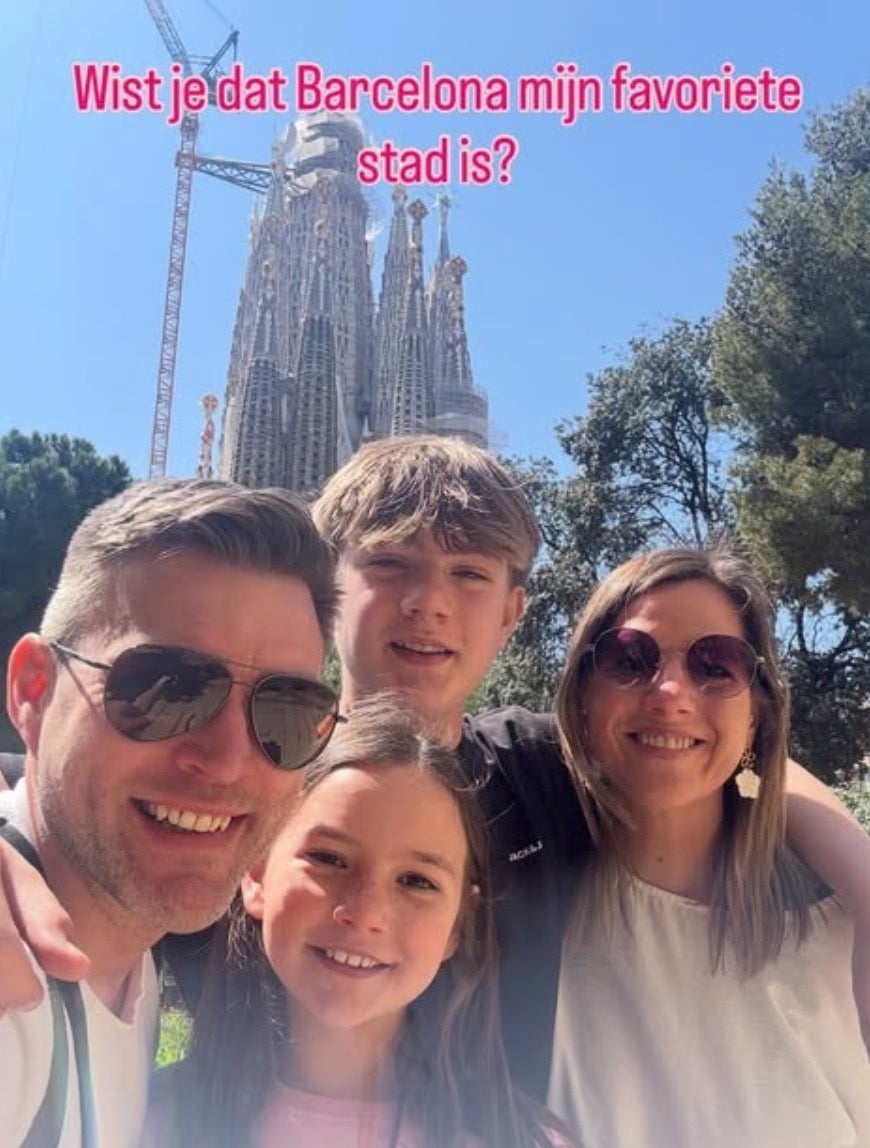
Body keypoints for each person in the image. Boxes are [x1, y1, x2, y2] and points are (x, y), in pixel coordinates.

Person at [2, 436, 870, 1100]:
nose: (429, 603)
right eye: (390, 563)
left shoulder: (543, 767)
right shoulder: (249, 776)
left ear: (512, 613)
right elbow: (76, 801)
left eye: (469, 574)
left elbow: (729, 751)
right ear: (332, 593)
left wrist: (861, 875)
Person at [0, 478, 342, 1145]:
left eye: (288, 712)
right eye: (166, 688)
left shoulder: (135, 976)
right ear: (33, 690)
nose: (228, 760)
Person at [548, 546, 870, 1147]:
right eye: (629, 658)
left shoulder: (841, 934)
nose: (671, 692)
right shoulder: (521, 896)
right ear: (583, 698)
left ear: (755, 719)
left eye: (716, 666)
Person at [146, 697, 574, 1147]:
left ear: (457, 924)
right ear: (257, 872)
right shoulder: (144, 1124)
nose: (366, 912)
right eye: (328, 859)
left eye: (416, 881)